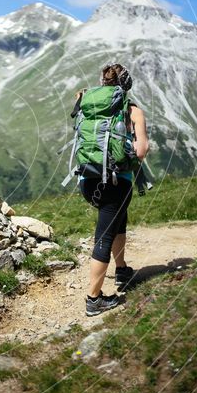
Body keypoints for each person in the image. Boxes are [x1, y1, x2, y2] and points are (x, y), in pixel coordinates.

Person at [75, 63, 150, 316]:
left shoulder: (88, 105)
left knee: (119, 221)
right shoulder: (133, 112)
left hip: (87, 179)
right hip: (116, 183)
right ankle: (93, 300)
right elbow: (141, 152)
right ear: (126, 85)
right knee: (104, 236)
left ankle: (121, 270)